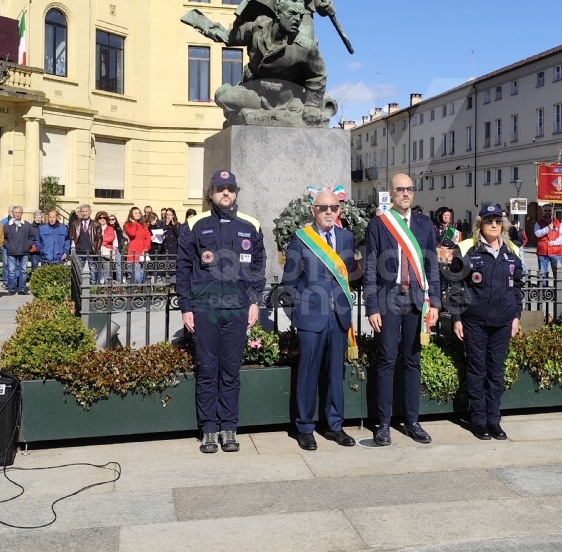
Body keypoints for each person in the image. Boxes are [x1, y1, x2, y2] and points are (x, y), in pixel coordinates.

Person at [176, 170, 267, 454]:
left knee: (230, 371)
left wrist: (254, 301)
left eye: (230, 188)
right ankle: (209, 430)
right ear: (211, 193)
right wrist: (186, 307)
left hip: (238, 309)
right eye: (219, 189)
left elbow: (258, 267)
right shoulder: (194, 224)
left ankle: (229, 427)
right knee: (207, 370)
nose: (225, 193)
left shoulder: (251, 224)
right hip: (205, 309)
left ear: (236, 192)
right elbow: (183, 268)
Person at [363, 172, 441, 447]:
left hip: (417, 300)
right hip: (388, 300)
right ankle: (383, 424)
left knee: (412, 361)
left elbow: (432, 266)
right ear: (391, 194)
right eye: (400, 189)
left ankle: (412, 421)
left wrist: (436, 304)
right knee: (386, 360)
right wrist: (371, 306)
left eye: (409, 189)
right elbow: (370, 267)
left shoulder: (424, 223)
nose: (405, 193)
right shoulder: (379, 225)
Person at [282, 188, 360, 451]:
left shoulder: (347, 238)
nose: (329, 212)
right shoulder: (301, 239)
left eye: (334, 208)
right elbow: (289, 281)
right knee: (308, 373)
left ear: (339, 211)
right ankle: (305, 428)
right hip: (311, 318)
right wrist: (299, 311)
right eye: (324, 207)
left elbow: (348, 275)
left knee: (335, 373)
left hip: (339, 317)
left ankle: (335, 426)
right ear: (313, 210)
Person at [448, 203, 523, 440]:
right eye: (489, 221)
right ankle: (479, 420)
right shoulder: (467, 248)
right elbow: (456, 285)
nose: (493, 225)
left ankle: (494, 419)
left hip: (502, 321)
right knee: (477, 369)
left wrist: (516, 317)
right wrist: (457, 318)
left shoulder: (512, 250)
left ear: (504, 225)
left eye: (498, 221)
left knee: (495, 371)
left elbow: (518, 287)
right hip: (475, 321)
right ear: (480, 224)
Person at [3, 206, 36, 296]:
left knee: (23, 271)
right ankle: (11, 289)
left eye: (19, 212)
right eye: (16, 212)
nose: (17, 214)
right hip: (11, 252)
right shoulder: (7, 225)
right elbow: (3, 238)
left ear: (22, 213)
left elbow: (32, 237)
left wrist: (27, 245)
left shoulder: (27, 225)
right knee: (11, 271)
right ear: (13, 213)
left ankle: (22, 289)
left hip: (24, 252)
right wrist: (8, 246)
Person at [533, 206, 562, 281]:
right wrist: (547, 228)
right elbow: (537, 233)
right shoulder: (538, 223)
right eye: (545, 210)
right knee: (542, 274)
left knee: (557, 274)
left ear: (552, 211)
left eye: (549, 210)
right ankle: (543, 291)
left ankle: (556, 291)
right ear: (542, 211)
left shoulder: (558, 222)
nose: (547, 212)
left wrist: (554, 243)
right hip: (543, 252)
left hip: (556, 252)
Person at [124, 207, 151, 284]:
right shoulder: (127, 225)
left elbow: (147, 237)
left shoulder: (144, 225)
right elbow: (132, 234)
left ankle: (139, 292)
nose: (138, 214)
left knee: (142, 275)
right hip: (133, 252)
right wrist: (134, 224)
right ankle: (136, 292)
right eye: (135, 213)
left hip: (142, 252)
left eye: (139, 213)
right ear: (131, 215)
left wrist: (146, 248)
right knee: (137, 276)